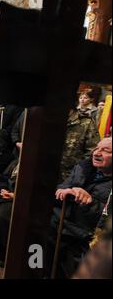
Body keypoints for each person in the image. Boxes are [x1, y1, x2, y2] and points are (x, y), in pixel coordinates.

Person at [47, 137, 112, 278]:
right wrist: (63, 192)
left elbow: (107, 220)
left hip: (83, 233)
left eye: (106, 150)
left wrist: (89, 202)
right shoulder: (83, 167)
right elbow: (64, 186)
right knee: (35, 247)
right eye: (97, 148)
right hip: (59, 222)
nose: (97, 153)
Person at [60, 107, 99, 181]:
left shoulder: (86, 122)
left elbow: (92, 151)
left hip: (71, 176)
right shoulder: (48, 118)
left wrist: (79, 172)